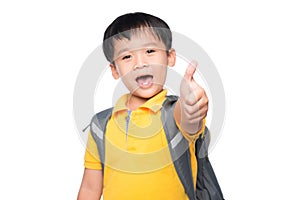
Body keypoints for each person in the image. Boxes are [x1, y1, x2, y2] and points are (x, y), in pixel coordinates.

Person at [77, 12, 209, 200]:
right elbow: (90, 188)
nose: (140, 63)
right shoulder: (101, 125)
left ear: (169, 57)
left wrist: (192, 104)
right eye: (127, 57)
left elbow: (189, 119)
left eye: (149, 51)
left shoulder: (174, 113)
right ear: (114, 69)